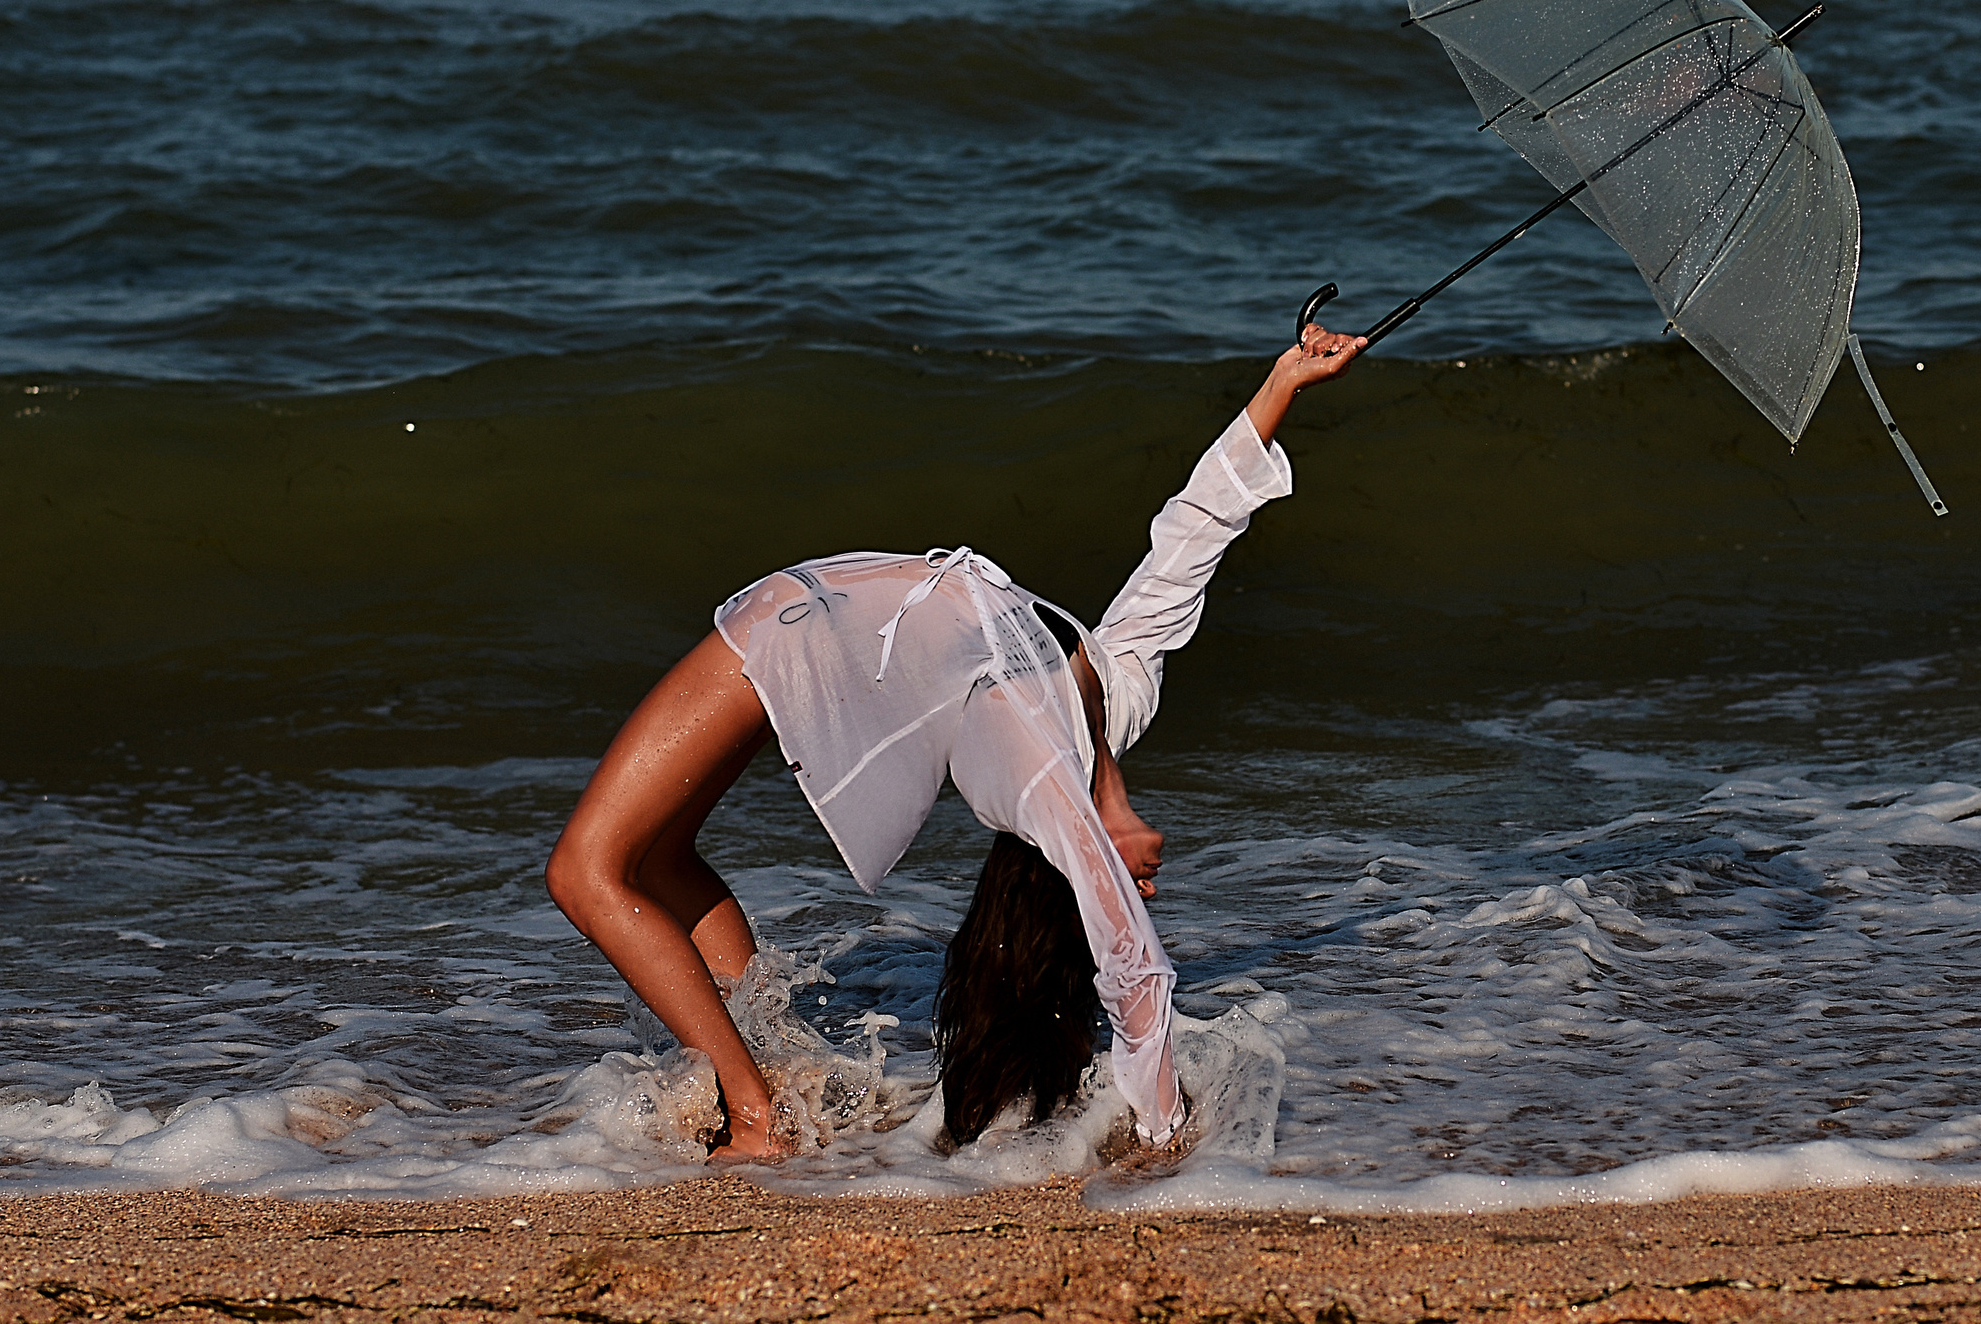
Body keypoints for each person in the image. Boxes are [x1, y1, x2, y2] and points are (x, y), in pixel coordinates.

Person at [544, 323, 1367, 1161]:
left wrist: (1161, 1131)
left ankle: (755, 1116)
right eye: (1134, 880)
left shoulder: (1046, 781)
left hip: (786, 634)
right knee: (665, 855)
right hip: (812, 620)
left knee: (585, 870)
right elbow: (1189, 538)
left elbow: (1136, 969)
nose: (1146, 882)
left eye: (1119, 879)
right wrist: (1282, 385)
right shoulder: (1112, 694)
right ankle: (776, 1072)